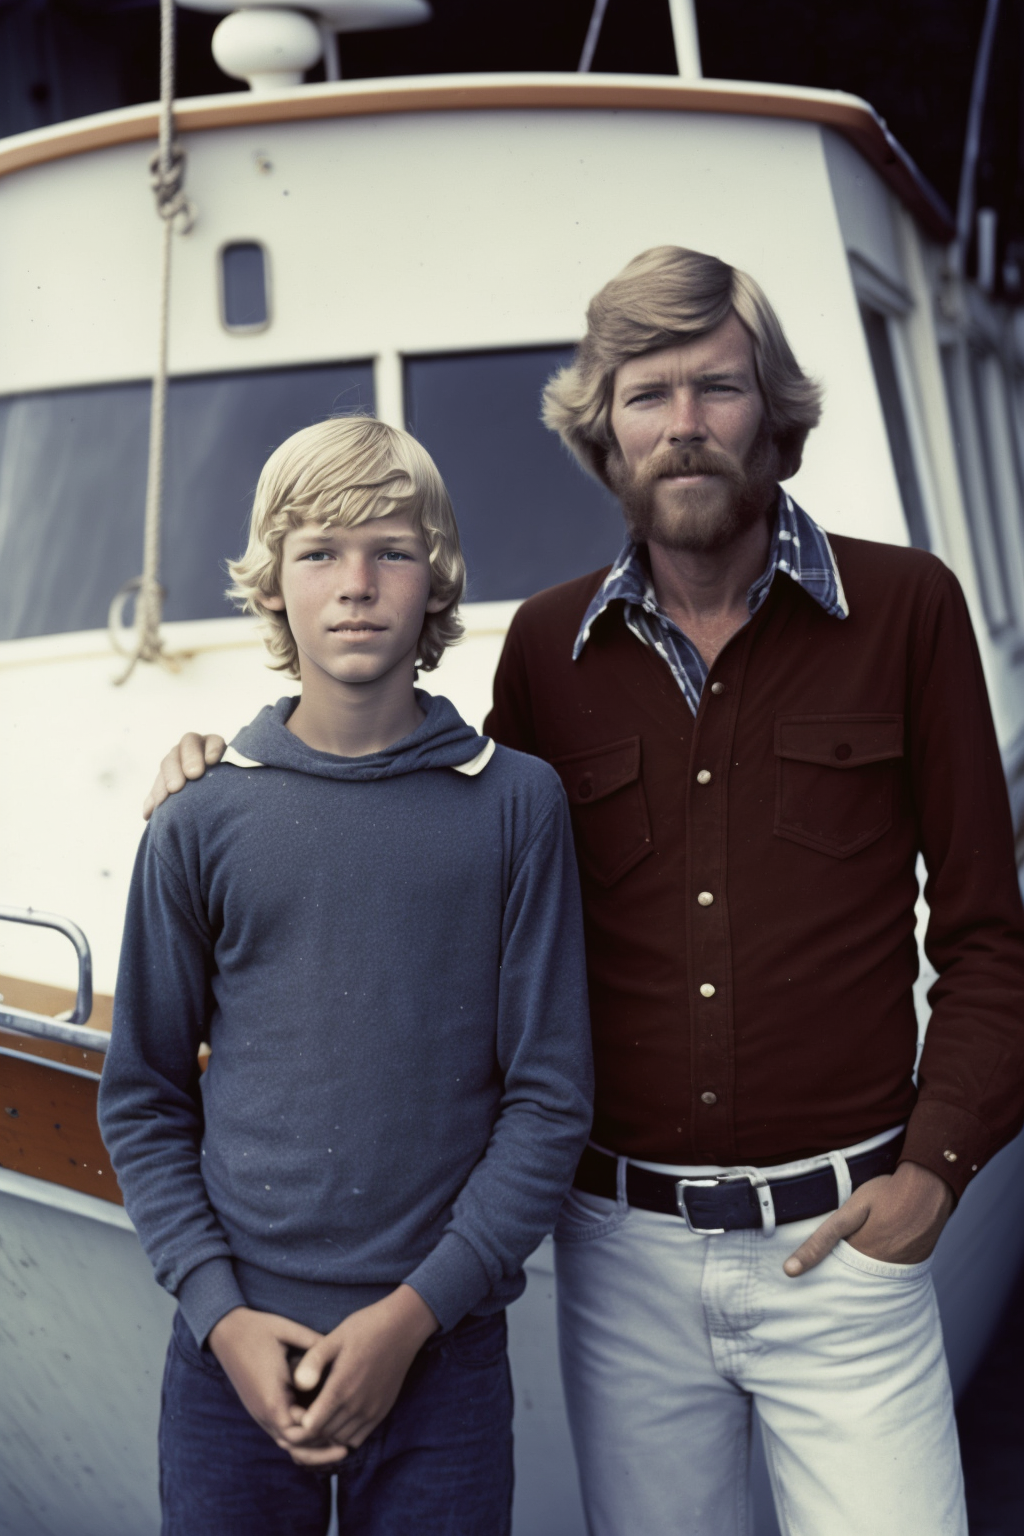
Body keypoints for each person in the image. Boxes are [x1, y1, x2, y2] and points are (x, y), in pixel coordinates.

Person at [145, 248, 1024, 1536]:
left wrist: (934, 1174)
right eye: (644, 397)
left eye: (716, 388)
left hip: (847, 1246)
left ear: (769, 407)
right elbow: (414, 825)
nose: (682, 426)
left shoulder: (910, 610)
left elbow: (991, 940)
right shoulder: (551, 660)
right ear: (601, 435)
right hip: (623, 1255)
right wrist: (217, 773)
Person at [100, 415, 593, 1536]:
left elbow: (549, 1098)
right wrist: (222, 1318)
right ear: (272, 586)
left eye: (393, 551)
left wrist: (411, 1318)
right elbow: (143, 1097)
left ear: (438, 581)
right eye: (319, 552)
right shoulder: (200, 822)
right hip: (230, 1367)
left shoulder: (516, 807)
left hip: (442, 1362)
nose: (357, 584)